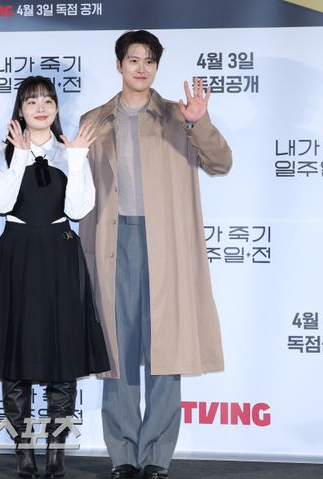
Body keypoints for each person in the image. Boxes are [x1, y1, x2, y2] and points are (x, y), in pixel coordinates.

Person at [78, 30, 232, 479]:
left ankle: (157, 457)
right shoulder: (95, 120)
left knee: (167, 349)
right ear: (119, 64)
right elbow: (78, 190)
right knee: (118, 350)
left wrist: (199, 123)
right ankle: (123, 455)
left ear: (157, 67)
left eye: (149, 61)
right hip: (112, 243)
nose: (141, 68)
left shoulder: (178, 116)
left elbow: (221, 162)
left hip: (167, 244)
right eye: (133, 59)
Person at [0, 76, 110, 479]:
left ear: (56, 108)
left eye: (48, 100)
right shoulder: (0, 152)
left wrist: (78, 159)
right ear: (20, 108)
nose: (40, 107)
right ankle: (23, 451)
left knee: (61, 356)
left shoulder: (70, 151)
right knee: (14, 354)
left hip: (59, 254)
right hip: (17, 254)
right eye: (32, 101)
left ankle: (56, 451)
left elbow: (80, 208)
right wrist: (19, 156)